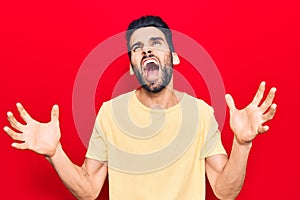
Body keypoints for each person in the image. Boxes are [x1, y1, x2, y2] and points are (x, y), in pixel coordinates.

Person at [4, 16, 277, 200]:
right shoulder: (110, 114)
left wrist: (242, 144)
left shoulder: (201, 113)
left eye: (156, 44)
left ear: (175, 57)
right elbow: (88, 189)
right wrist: (55, 153)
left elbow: (224, 191)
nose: (147, 51)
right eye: (137, 48)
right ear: (133, 67)